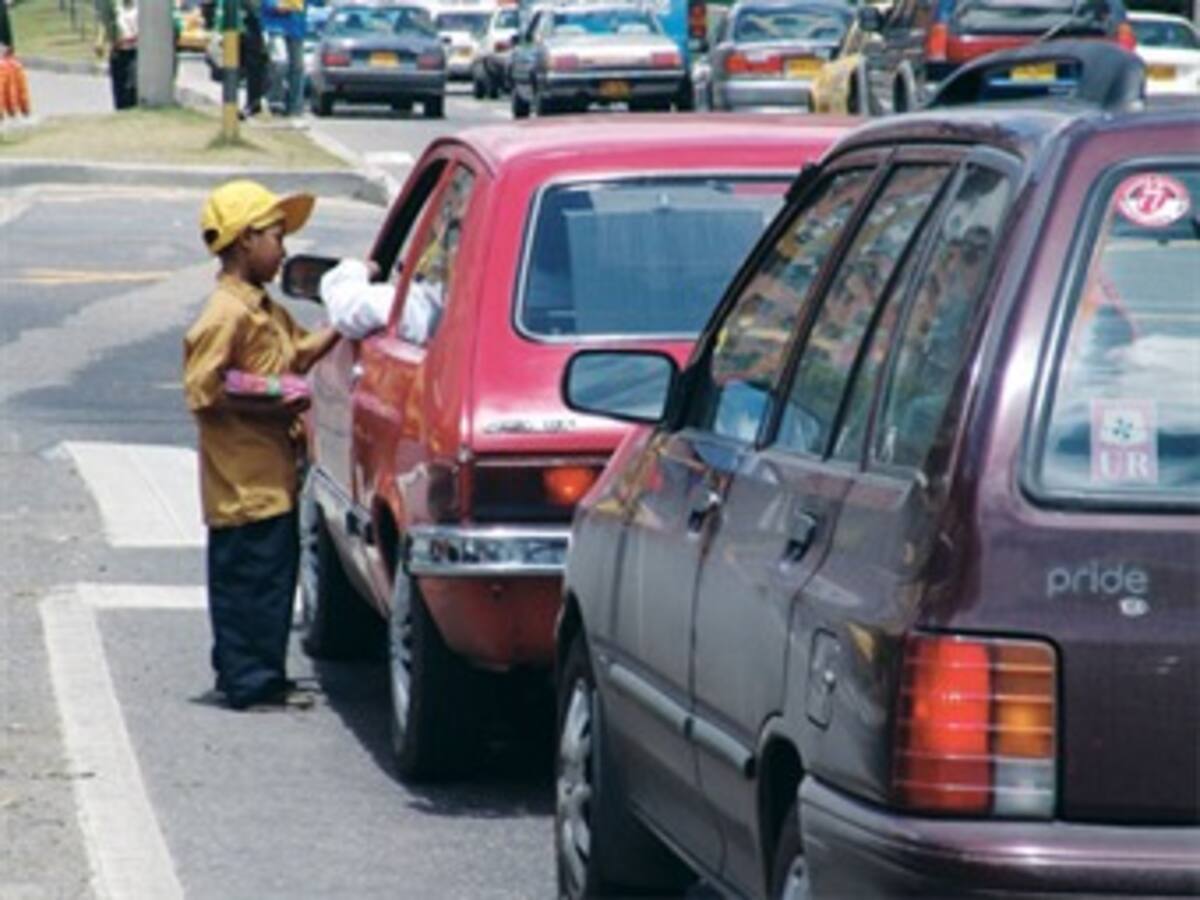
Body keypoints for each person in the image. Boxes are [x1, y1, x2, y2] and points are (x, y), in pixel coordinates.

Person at [183, 179, 339, 711]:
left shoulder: (264, 310)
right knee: (246, 584)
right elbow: (206, 387)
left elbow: (297, 354)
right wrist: (272, 394)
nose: (284, 249)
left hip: (273, 478)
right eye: (276, 235)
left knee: (273, 583)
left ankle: (263, 674)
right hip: (242, 484)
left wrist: (347, 318)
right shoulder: (225, 313)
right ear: (246, 240)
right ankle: (247, 682)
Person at [262, 0, 305, 116]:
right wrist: (287, 6)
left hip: (296, 29)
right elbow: (270, 5)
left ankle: (295, 107)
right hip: (275, 28)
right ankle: (275, 100)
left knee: (297, 68)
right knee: (280, 62)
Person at [96, 0, 138, 110]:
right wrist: (100, 41)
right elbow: (105, 23)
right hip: (118, 51)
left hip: (135, 51)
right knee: (119, 89)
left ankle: (133, 111)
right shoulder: (115, 7)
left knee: (132, 86)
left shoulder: (140, 7)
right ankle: (121, 114)